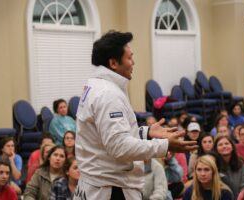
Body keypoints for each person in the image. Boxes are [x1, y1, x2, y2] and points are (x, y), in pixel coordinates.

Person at [74, 31, 198, 200]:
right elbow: (119, 146)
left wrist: (145, 133)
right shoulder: (107, 94)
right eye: (129, 58)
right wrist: (164, 145)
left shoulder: (96, 85)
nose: (134, 62)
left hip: (100, 185)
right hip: (111, 190)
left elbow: (107, 137)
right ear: (113, 63)